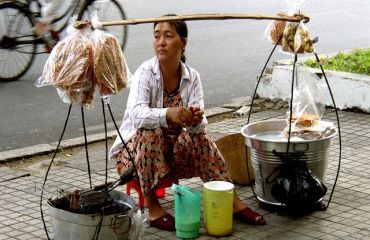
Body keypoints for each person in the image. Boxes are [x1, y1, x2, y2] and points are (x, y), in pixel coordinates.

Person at [109, 15, 266, 231]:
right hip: (135, 156)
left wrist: (196, 120)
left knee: (200, 137)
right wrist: (169, 114)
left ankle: (231, 201)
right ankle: (153, 208)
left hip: (174, 156)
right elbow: (136, 114)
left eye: (168, 36)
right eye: (157, 36)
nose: (161, 42)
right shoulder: (146, 72)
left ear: (183, 43)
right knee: (150, 131)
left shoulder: (192, 77)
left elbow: (199, 124)